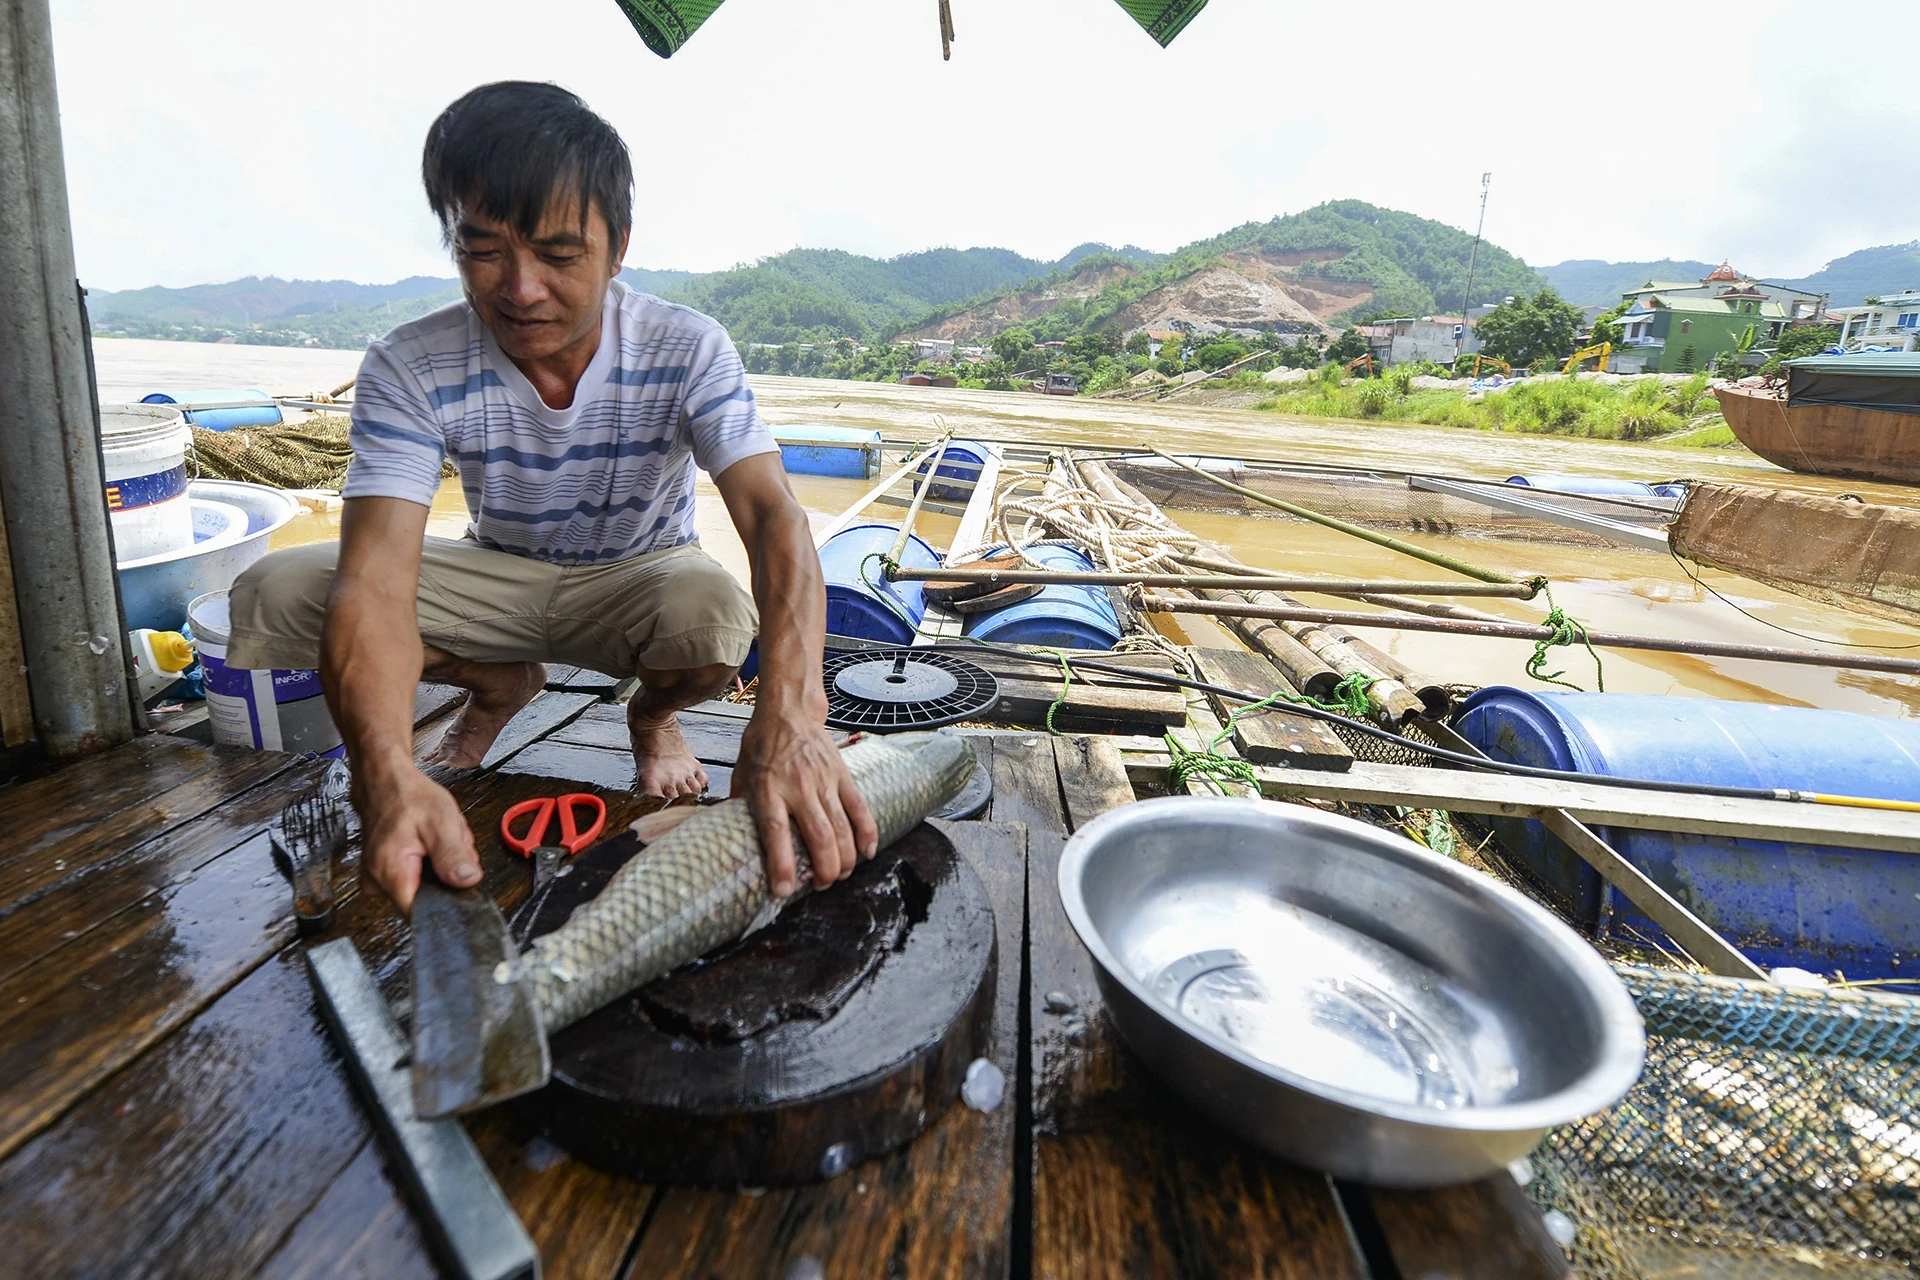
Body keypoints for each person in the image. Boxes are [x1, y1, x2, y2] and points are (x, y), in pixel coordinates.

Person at [228, 81, 873, 913]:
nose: (520, 289)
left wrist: (792, 711)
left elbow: (772, 514)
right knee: (280, 588)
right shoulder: (408, 362)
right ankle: (501, 684)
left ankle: (651, 718)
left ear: (618, 246)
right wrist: (381, 771)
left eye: (560, 255)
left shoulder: (687, 346)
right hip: (499, 574)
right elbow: (379, 579)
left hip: (642, 574)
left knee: (715, 620)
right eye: (483, 250)